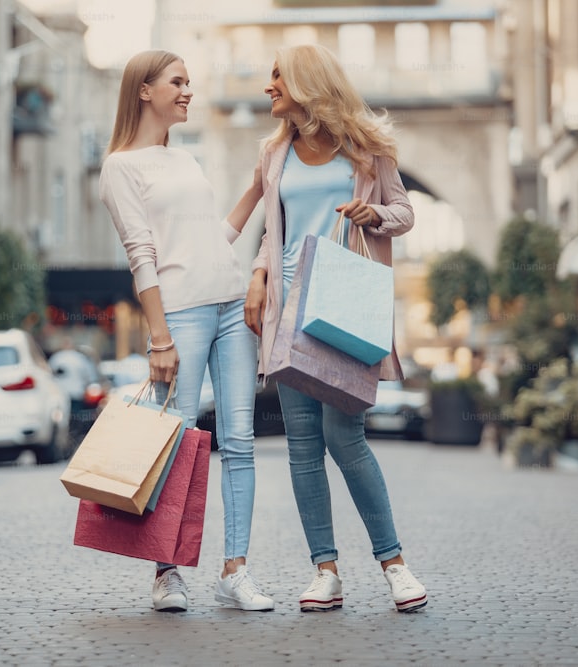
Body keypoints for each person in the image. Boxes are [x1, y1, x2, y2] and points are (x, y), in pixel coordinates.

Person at [243, 44, 428, 613]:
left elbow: (405, 212)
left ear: (304, 83)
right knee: (301, 447)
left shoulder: (365, 150)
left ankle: (394, 564)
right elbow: (271, 229)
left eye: (277, 76)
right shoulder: (273, 155)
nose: (268, 85)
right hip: (287, 310)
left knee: (345, 438)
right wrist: (256, 276)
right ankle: (325, 571)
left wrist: (375, 215)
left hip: (341, 302)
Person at [99, 50, 272, 613]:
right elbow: (143, 256)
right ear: (144, 90)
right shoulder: (121, 167)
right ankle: (166, 573)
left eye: (190, 82)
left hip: (229, 310)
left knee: (240, 442)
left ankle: (235, 571)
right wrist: (159, 337)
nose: (188, 91)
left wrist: (255, 191)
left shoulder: (186, 160)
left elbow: (209, 242)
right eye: (178, 82)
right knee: (172, 442)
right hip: (182, 316)